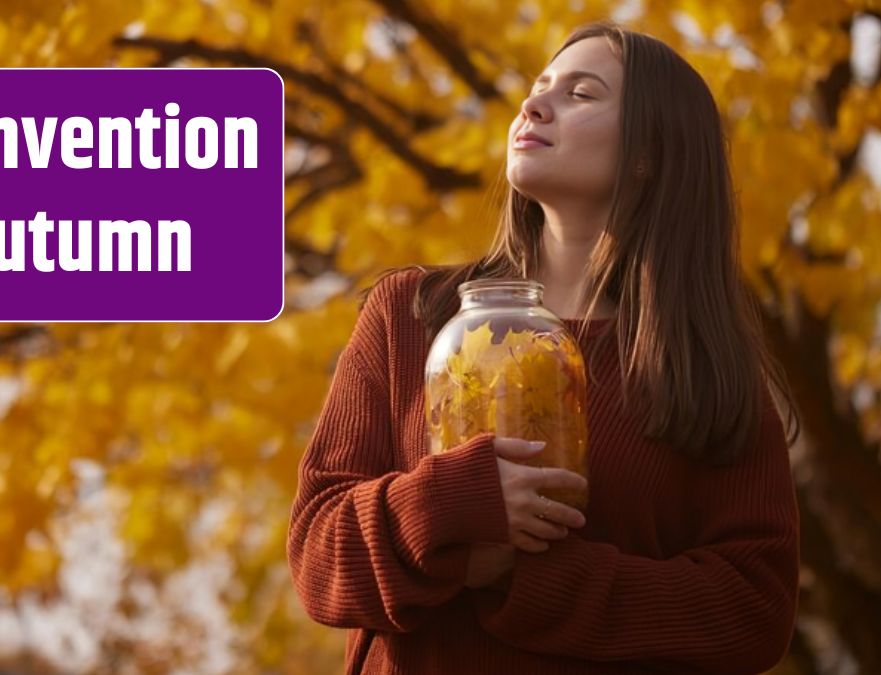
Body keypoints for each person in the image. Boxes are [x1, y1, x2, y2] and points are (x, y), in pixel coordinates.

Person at [286, 21, 803, 675]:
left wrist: (524, 576)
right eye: (539, 88)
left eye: (582, 94)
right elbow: (317, 556)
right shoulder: (408, 315)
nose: (533, 106)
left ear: (650, 152)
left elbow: (752, 611)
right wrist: (446, 509)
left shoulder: (703, 366)